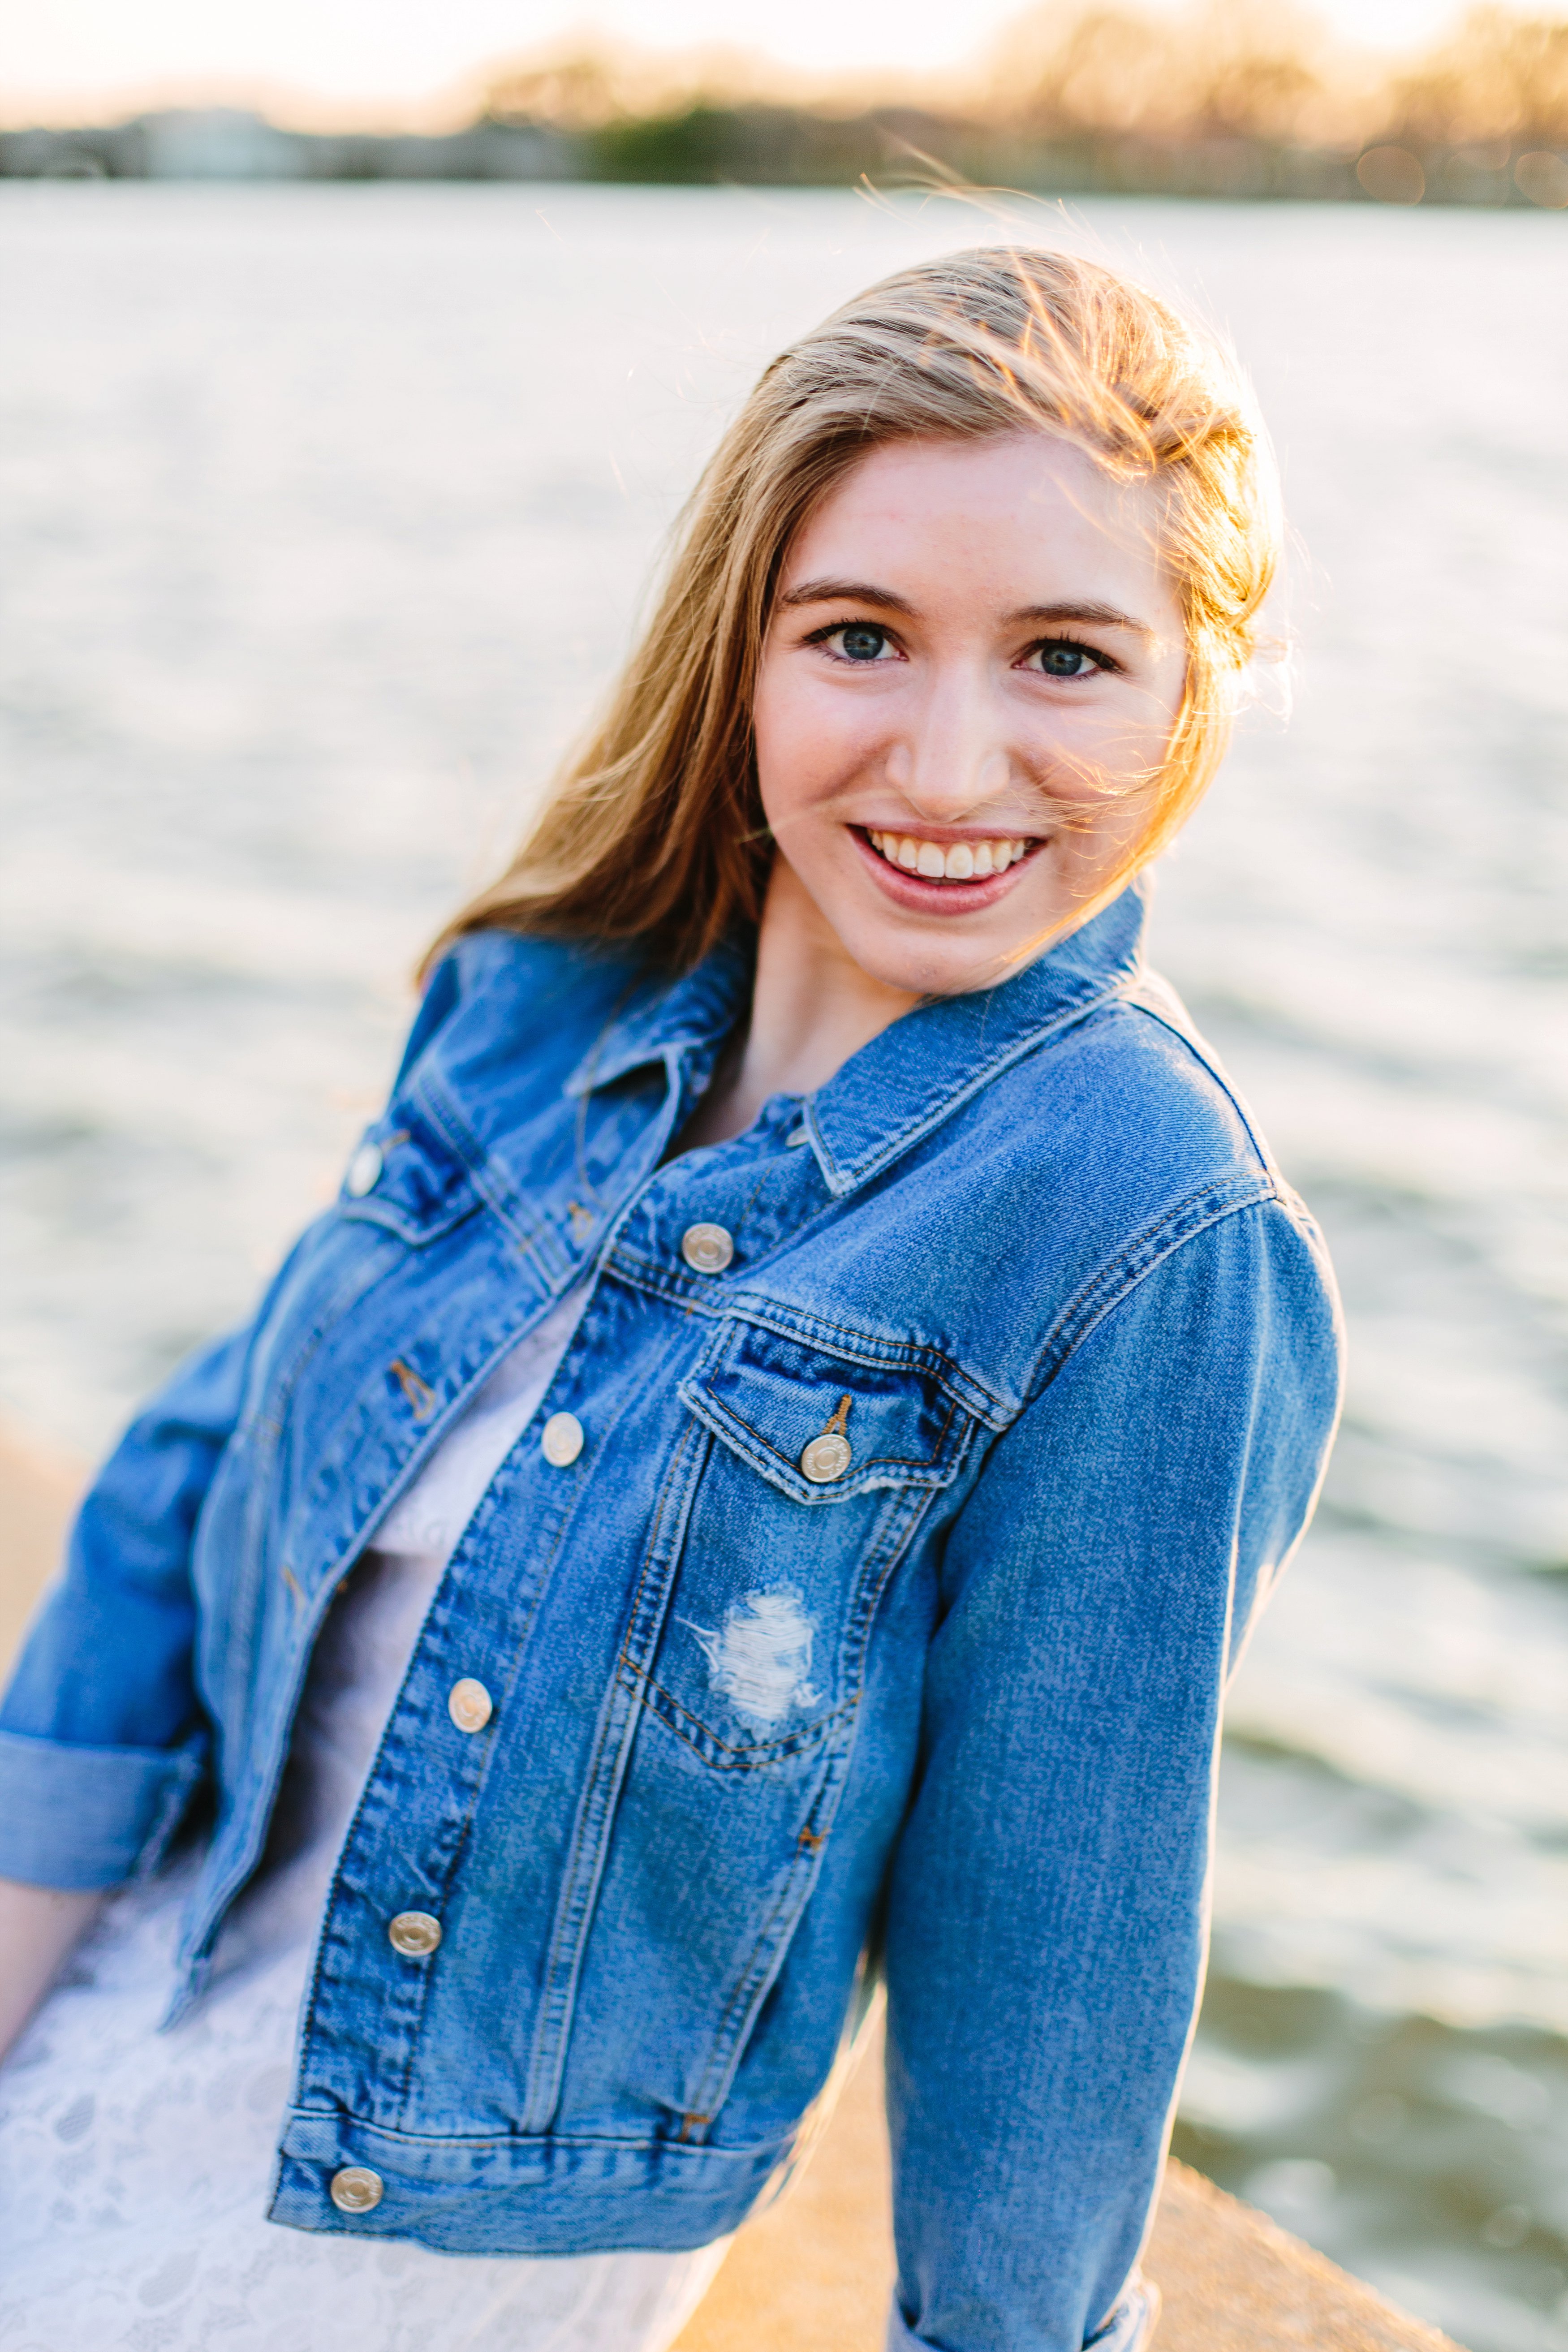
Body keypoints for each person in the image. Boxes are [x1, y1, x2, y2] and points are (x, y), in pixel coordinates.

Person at [0, 245, 1341, 2352]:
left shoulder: (1140, 1214)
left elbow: (1055, 1929)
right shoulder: (541, 999)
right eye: (860, 636)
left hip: (424, 2233)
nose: (949, 757)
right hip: (123, 1973)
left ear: (1198, 684)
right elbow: (189, 1485)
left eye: (1066, 657)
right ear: (743, 655)